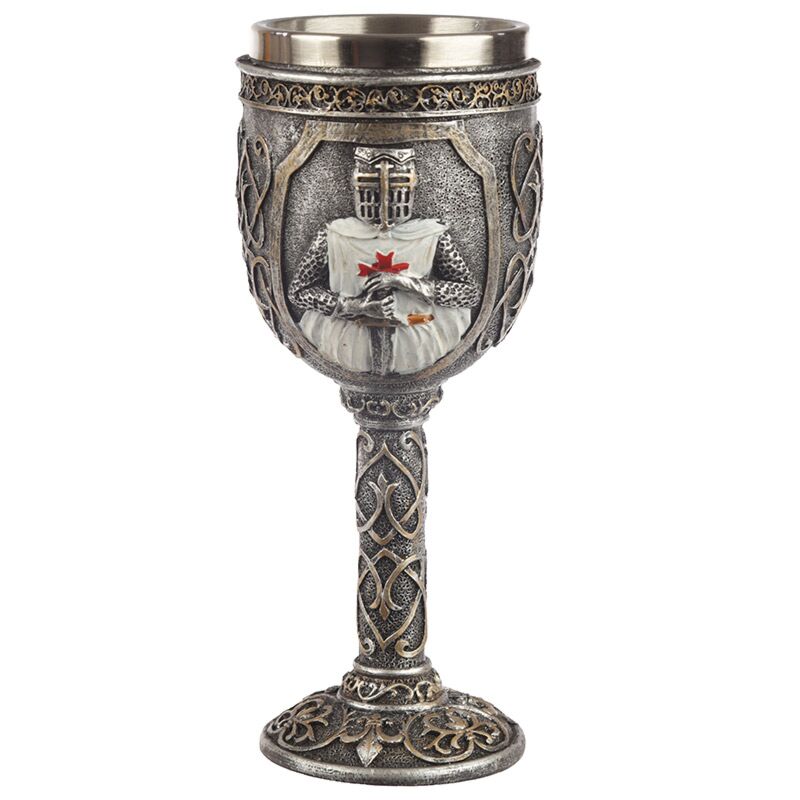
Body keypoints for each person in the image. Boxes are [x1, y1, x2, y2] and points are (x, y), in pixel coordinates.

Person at [288, 147, 479, 375]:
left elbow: (469, 293)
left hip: (419, 336)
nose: (385, 195)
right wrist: (355, 307)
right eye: (372, 184)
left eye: (396, 183)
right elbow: (299, 292)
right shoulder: (335, 235)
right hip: (346, 340)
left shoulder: (431, 236)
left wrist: (409, 283)